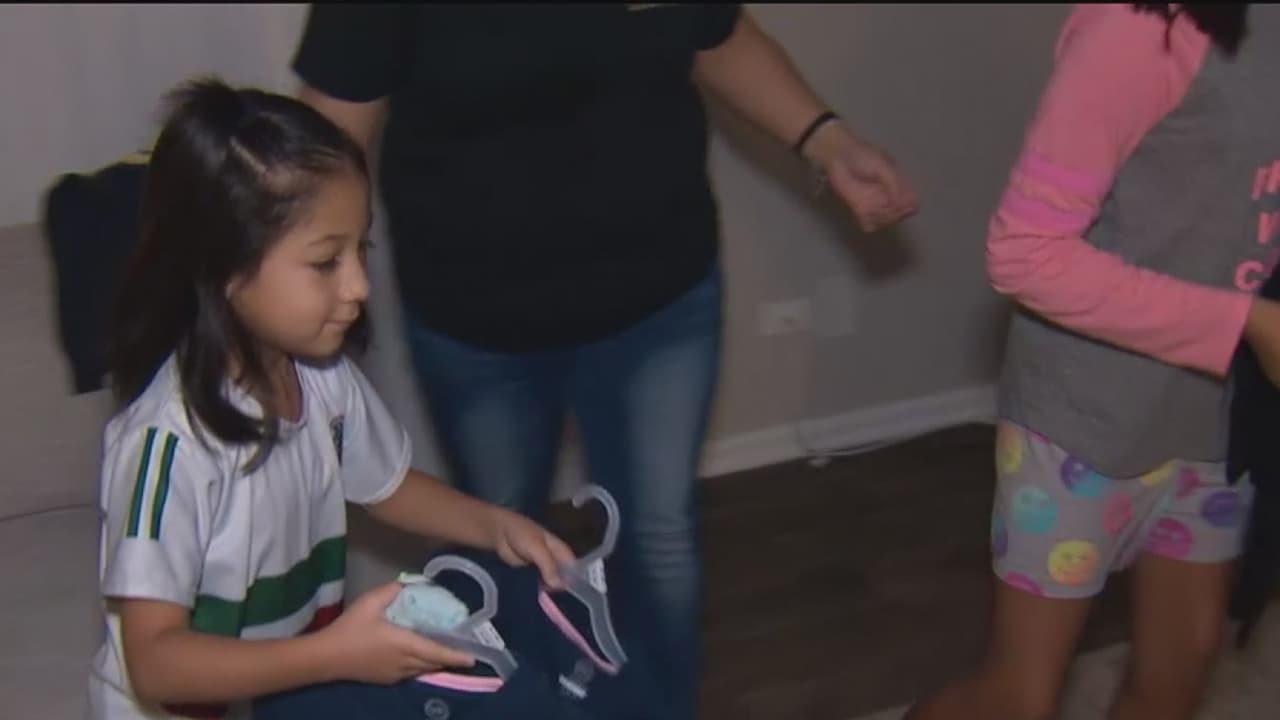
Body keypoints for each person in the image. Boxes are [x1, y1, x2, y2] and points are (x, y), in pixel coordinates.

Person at [289, 6, 917, 716]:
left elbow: (718, 35)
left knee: (660, 539)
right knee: (503, 539)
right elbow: (325, 140)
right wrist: (279, 285)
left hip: (662, 298)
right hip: (478, 321)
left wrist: (827, 140)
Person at [87, 76, 577, 720]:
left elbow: (387, 487)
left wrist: (495, 525)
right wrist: (336, 656)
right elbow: (157, 665)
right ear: (224, 268)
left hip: (282, 687)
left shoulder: (323, 378)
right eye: (326, 262)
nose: (359, 286)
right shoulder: (168, 446)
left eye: (360, 250)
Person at [907, 4, 1280, 719]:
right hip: (1082, 421)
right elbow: (1026, 255)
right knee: (1019, 700)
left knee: (1179, 676)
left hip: (1218, 418)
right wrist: (1247, 322)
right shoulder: (1139, 29)